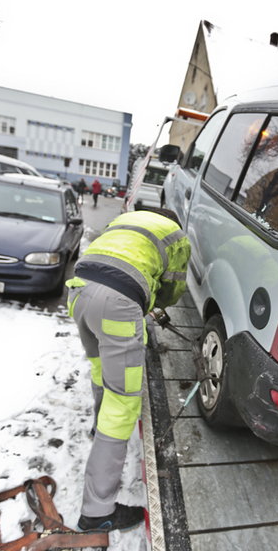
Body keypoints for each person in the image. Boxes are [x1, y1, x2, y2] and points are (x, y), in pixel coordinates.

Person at [65, 207, 191, 533]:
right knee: (123, 404)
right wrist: (150, 305)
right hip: (117, 304)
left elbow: (113, 262)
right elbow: (172, 290)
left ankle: (98, 428)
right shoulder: (177, 237)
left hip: (78, 291)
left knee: (99, 368)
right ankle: (97, 512)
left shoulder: (124, 221)